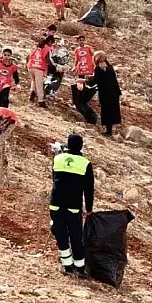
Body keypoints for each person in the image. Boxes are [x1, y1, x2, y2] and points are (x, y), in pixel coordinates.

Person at [50, 134, 94, 278]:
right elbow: (89, 189)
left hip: (56, 203)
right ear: (81, 146)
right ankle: (80, 268)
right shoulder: (85, 164)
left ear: (67, 145)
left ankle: (67, 266)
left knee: (61, 234)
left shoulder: (57, 159)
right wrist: (89, 209)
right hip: (73, 206)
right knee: (76, 236)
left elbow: (54, 179)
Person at [85, 51, 121, 137]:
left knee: (106, 111)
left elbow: (96, 80)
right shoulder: (109, 66)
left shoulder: (98, 68)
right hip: (114, 93)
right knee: (112, 111)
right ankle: (110, 130)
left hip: (106, 93)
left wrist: (86, 81)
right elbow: (104, 77)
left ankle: (108, 132)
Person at [27, 35, 55, 108]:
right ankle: (41, 101)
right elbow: (47, 59)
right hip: (39, 67)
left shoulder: (36, 47)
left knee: (34, 82)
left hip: (31, 66)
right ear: (50, 42)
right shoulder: (47, 48)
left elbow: (28, 56)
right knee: (39, 85)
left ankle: (32, 95)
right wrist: (53, 67)